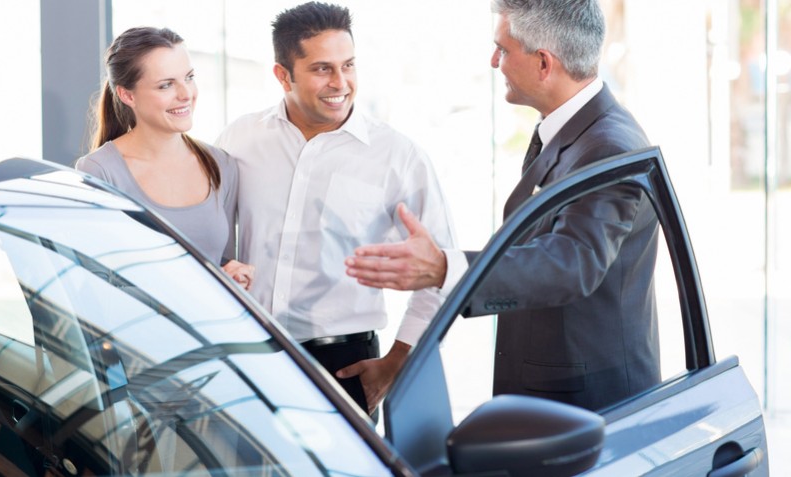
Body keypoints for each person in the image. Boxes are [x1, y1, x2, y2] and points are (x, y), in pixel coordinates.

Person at [345, 0, 661, 410]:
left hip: (588, 410)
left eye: (503, 49)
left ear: (544, 63)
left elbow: (571, 263)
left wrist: (444, 268)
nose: (494, 62)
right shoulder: (579, 132)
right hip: (559, 397)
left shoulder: (607, 147)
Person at [214, 2, 457, 416]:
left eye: (349, 65)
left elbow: (443, 270)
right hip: (248, 354)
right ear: (282, 75)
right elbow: (212, 233)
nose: (340, 82)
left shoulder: (398, 156)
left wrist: (398, 360)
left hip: (344, 366)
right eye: (322, 68)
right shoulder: (241, 138)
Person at [76, 27, 254, 289]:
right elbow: (93, 279)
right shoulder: (100, 171)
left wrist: (234, 275)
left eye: (189, 77)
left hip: (209, 328)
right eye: (166, 85)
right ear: (127, 95)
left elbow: (221, 260)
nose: (186, 94)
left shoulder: (220, 164)